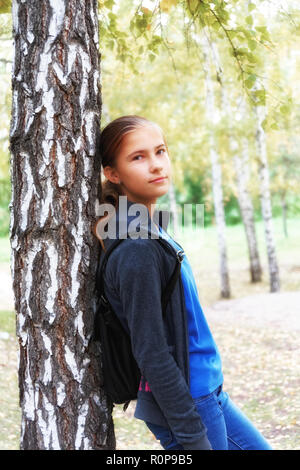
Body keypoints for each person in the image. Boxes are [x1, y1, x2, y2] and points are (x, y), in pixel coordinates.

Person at [93, 115, 272, 451]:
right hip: (190, 404)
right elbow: (151, 351)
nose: (156, 165)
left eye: (160, 151)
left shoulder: (149, 226)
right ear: (112, 173)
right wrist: (191, 434)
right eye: (138, 157)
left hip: (209, 390)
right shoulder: (137, 248)